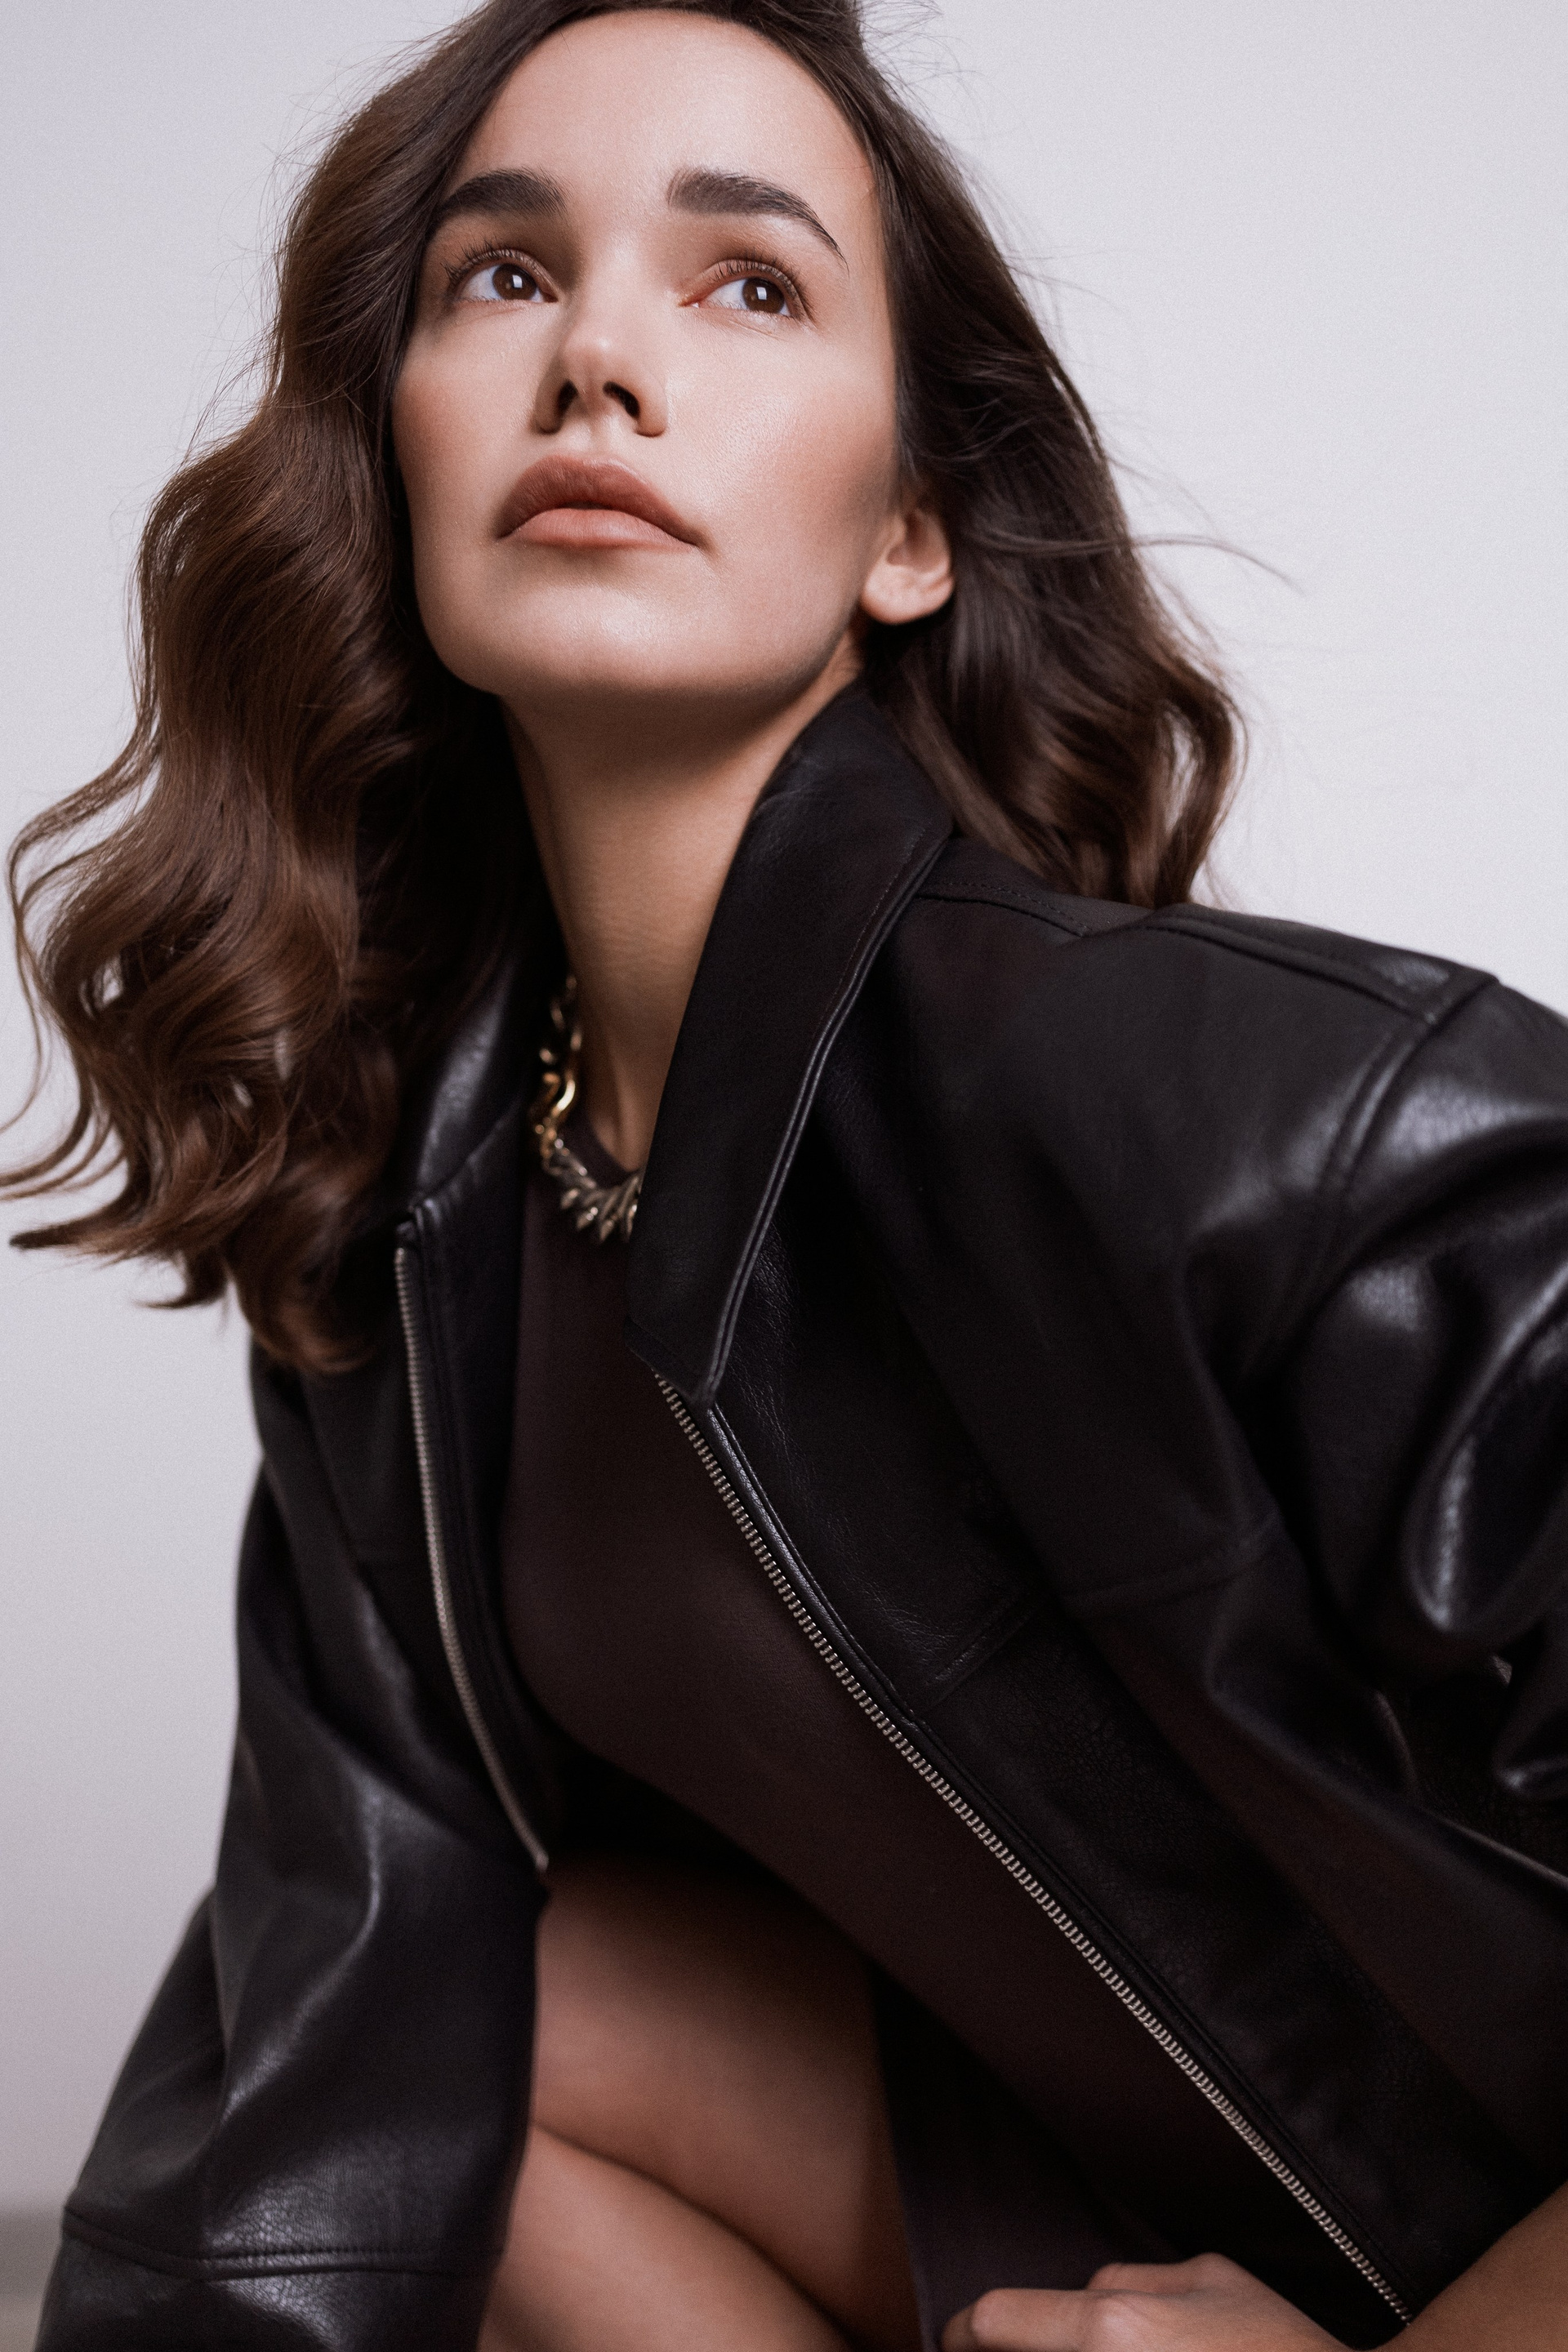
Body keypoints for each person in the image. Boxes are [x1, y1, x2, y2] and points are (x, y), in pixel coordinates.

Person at [9, 2, 1568, 2346]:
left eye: (750, 283)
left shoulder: (1288, 1129)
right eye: (503, 276)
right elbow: (320, 2078)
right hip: (1111, 2240)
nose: (599, 359)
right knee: (463, 2048)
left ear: (911, 531)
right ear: (394, 447)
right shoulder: (412, 1242)